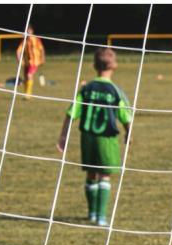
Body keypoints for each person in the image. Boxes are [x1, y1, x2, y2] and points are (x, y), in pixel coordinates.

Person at [57, 47, 132, 227]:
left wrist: (63, 136)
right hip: (107, 138)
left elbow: (71, 113)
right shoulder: (116, 91)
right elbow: (126, 117)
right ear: (115, 66)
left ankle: (91, 213)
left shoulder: (86, 89)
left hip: (87, 137)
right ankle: (101, 217)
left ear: (94, 66)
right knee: (104, 175)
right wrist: (129, 133)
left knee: (91, 174)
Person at [16, 25, 44, 98]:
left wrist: (42, 58)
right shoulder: (24, 40)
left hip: (35, 62)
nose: (27, 32)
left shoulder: (36, 39)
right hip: (27, 62)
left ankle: (28, 94)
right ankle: (26, 93)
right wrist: (19, 60)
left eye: (28, 31)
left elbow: (41, 49)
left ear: (32, 31)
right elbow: (18, 51)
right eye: (26, 31)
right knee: (26, 77)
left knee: (29, 75)